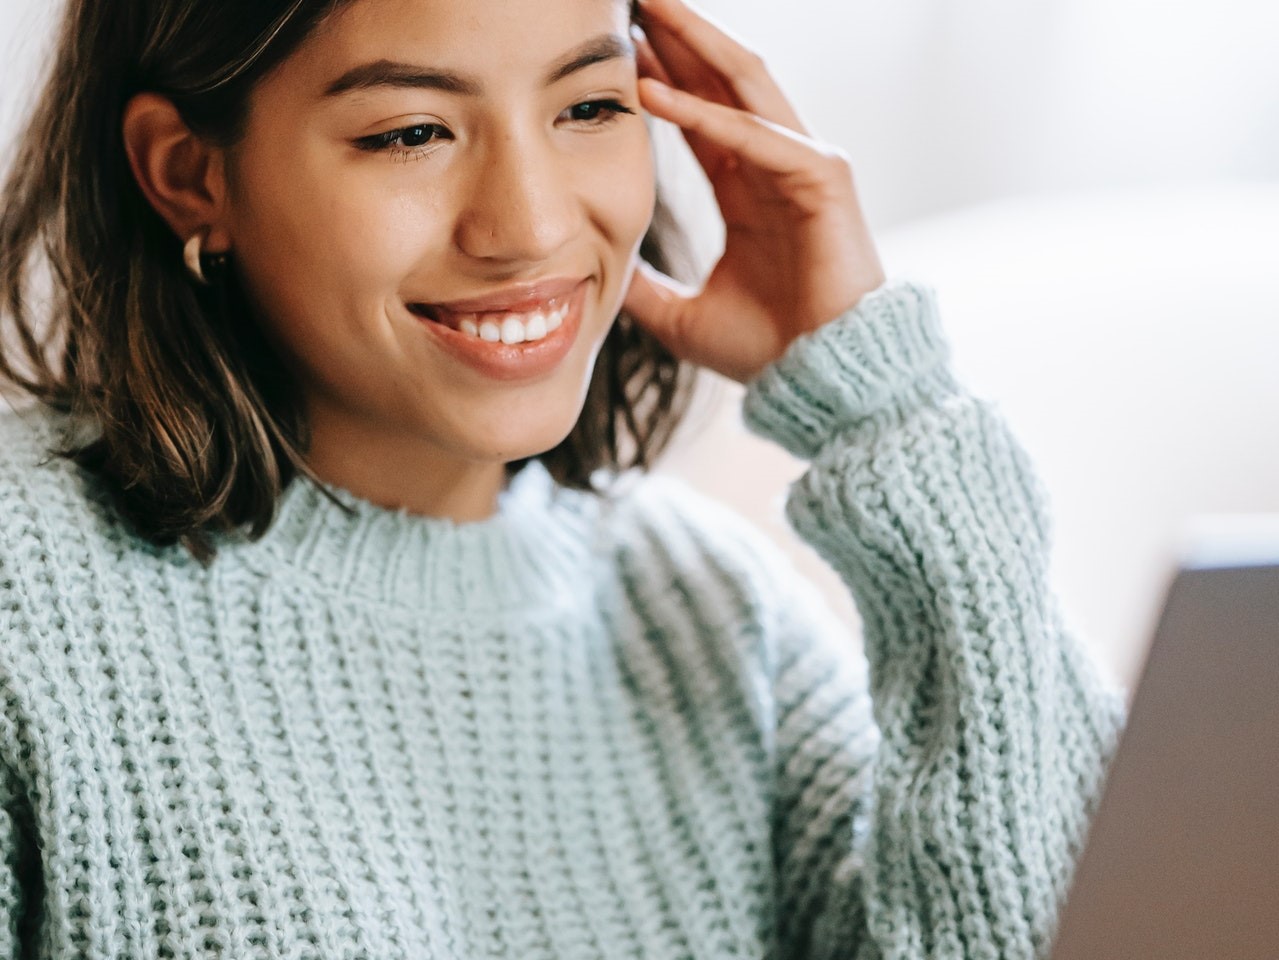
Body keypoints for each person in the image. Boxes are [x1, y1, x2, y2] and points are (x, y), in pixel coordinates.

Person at [0, 0, 1127, 956]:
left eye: (590, 106)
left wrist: (885, 407)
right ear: (189, 174)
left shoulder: (719, 617)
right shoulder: (27, 591)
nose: (530, 225)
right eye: (410, 133)